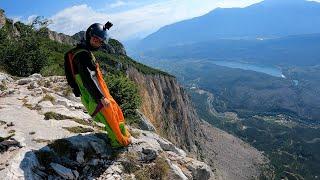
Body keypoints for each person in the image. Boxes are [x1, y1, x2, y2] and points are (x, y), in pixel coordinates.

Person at [64, 22, 131, 148]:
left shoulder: (82, 51)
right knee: (108, 116)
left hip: (96, 91)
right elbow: (88, 79)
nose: (97, 42)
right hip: (93, 93)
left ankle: (121, 133)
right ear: (89, 36)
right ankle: (117, 141)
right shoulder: (83, 55)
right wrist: (100, 97)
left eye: (100, 41)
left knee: (115, 111)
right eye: (95, 39)